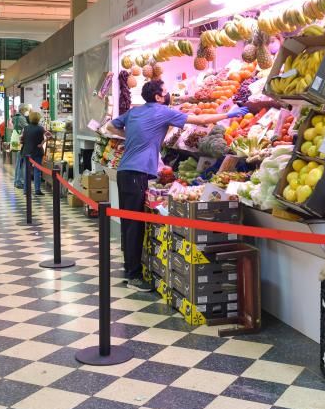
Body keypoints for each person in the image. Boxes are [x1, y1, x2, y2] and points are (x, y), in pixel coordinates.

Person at [106, 79, 249, 292]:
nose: (168, 93)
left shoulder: (135, 112)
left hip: (125, 171)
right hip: (138, 173)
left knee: (128, 222)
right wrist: (228, 115)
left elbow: (110, 126)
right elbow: (201, 119)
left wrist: (132, 136)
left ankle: (130, 268)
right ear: (158, 96)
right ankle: (133, 276)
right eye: (165, 91)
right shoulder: (163, 111)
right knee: (135, 224)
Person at [20, 111, 46, 196]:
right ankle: (37, 190)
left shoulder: (26, 128)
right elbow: (50, 136)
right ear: (38, 119)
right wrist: (42, 143)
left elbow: (21, 139)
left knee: (27, 171)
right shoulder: (41, 128)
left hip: (27, 152)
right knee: (37, 171)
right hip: (38, 151)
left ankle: (26, 190)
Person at [13, 104, 31, 189]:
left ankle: (16, 180)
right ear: (23, 110)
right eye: (26, 110)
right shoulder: (21, 118)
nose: (27, 111)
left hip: (16, 140)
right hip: (20, 141)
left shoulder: (15, 117)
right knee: (20, 161)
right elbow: (27, 127)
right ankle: (19, 181)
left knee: (18, 161)